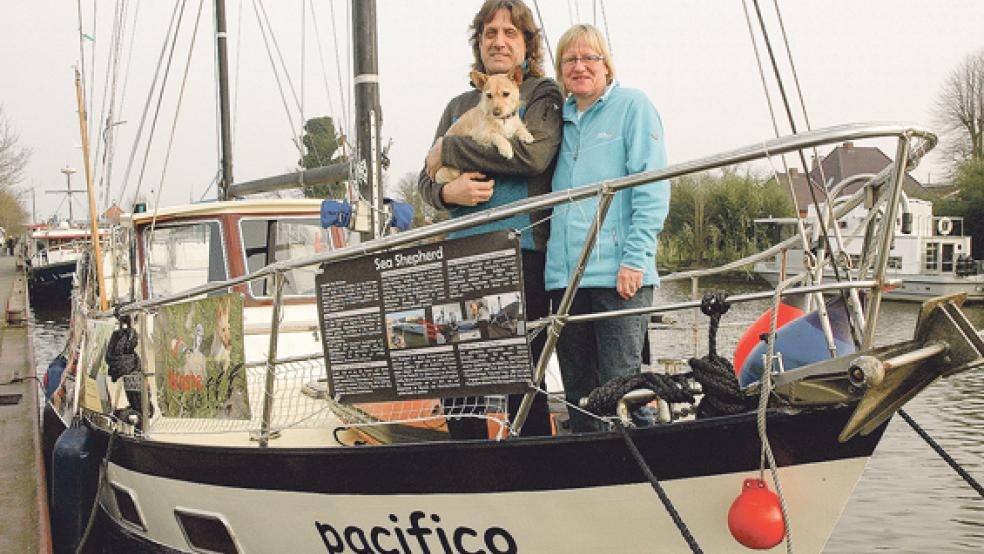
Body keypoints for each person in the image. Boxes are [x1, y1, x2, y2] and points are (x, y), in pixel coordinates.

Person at [418, 0, 562, 440]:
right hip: (460, 253)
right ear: (478, 43)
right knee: (458, 385)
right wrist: (447, 191)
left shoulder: (541, 92)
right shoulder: (458, 103)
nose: (498, 41)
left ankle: (537, 478)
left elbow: (531, 155)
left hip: (521, 250)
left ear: (526, 43)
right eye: (489, 33)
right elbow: (426, 181)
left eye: (510, 33)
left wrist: (451, 150)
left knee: (523, 380)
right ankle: (471, 478)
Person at [545, 24, 670, 433]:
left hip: (620, 277)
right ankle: (590, 479)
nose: (580, 66)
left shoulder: (633, 106)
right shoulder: (557, 122)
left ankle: (647, 470)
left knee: (623, 391)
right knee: (581, 398)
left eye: (589, 58)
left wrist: (635, 258)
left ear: (606, 65)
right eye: (570, 60)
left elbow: (650, 186)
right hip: (565, 279)